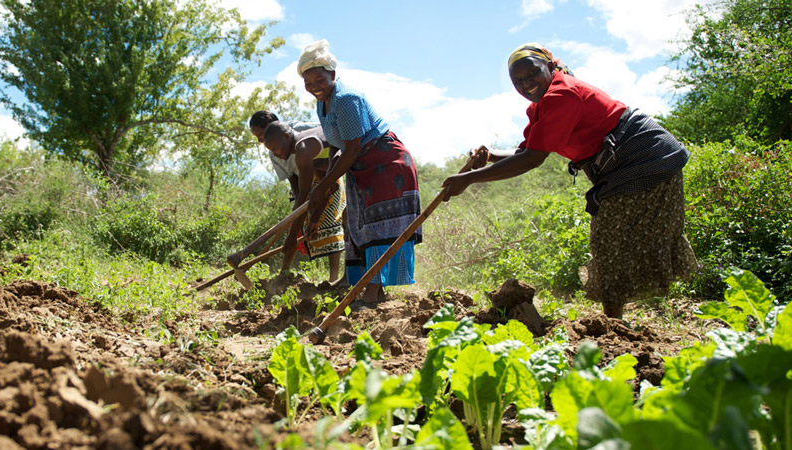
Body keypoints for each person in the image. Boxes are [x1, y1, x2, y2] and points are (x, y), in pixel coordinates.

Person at [442, 43, 698, 319]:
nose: (526, 83)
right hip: (624, 163)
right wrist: (491, 156)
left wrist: (468, 179)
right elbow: (526, 151)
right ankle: (615, 321)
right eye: (518, 81)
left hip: (644, 156)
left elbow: (532, 159)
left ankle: (614, 325)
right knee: (609, 239)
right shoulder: (543, 106)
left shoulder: (563, 94)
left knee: (609, 238)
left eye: (532, 74)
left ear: (550, 67)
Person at [297, 39, 423, 309]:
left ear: (332, 74)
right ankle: (373, 293)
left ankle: (369, 293)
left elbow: (352, 148)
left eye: (319, 79)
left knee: (380, 226)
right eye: (308, 83)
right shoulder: (323, 103)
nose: (314, 87)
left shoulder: (346, 99)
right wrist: (327, 184)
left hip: (386, 165)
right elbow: (336, 145)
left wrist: (326, 185)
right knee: (359, 226)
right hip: (362, 168)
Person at [261, 121, 345, 284]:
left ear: (286, 137)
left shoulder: (304, 151)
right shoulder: (308, 153)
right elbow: (328, 187)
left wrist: (292, 237)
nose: (275, 154)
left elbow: (304, 196)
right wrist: (314, 220)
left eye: (275, 149)